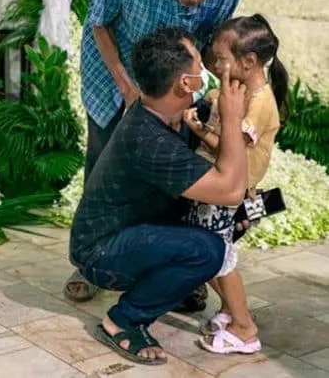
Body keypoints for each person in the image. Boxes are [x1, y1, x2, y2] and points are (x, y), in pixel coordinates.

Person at [64, 0, 242, 306]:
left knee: (178, 174)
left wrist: (212, 86)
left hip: (178, 85)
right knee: (105, 163)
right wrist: (127, 87)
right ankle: (94, 258)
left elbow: (210, 42)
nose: (198, 1)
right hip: (116, 75)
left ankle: (172, 267)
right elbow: (99, 23)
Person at [70, 26, 249, 365]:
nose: (206, 70)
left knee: (208, 231)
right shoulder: (150, 140)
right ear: (185, 83)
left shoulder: (164, 113)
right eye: (200, 64)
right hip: (100, 251)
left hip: (128, 230)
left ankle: (166, 289)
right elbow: (230, 191)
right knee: (207, 251)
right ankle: (124, 320)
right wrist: (232, 116)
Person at [182, 14, 289, 355]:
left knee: (219, 259)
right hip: (216, 184)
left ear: (249, 61)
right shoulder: (239, 88)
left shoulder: (260, 104)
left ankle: (244, 328)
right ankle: (231, 312)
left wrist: (200, 130)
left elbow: (233, 153)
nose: (215, 64)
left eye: (221, 59)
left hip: (226, 189)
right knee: (208, 255)